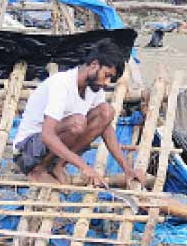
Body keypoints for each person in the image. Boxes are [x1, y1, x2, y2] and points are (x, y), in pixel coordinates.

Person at [12, 40, 143, 187]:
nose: (107, 83)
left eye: (110, 79)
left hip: (53, 147)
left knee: (107, 112)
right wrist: (83, 166)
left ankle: (57, 166)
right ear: (94, 65)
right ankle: (37, 170)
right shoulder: (62, 84)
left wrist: (127, 168)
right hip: (28, 152)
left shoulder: (94, 89)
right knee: (77, 123)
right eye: (106, 75)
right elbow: (47, 135)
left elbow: (105, 127)